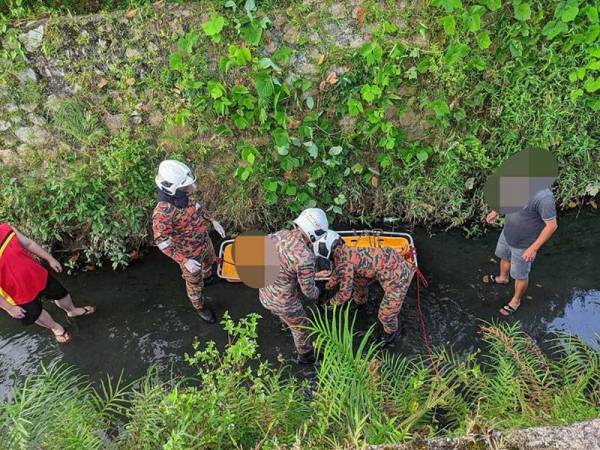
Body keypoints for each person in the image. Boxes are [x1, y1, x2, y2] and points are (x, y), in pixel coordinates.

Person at [152, 160, 226, 324]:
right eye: (186, 187)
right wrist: (184, 261)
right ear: (172, 188)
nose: (191, 189)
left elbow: (198, 208)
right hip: (189, 255)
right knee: (194, 283)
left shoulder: (183, 196)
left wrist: (213, 220)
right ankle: (199, 306)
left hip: (204, 242)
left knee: (209, 262)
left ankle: (208, 277)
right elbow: (162, 242)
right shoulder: (163, 213)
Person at [0, 223, 95, 344]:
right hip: (17, 293)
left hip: (37, 275)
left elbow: (29, 244)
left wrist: (50, 259)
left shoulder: (5, 229)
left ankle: (72, 311)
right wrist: (10, 308)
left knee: (61, 293)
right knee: (36, 313)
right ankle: (55, 328)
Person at [318, 231, 415, 346]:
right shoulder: (345, 250)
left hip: (398, 276)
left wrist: (329, 304)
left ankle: (390, 334)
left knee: (385, 315)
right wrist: (328, 286)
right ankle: (360, 303)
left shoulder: (345, 263)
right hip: (387, 263)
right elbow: (337, 273)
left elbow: (344, 294)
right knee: (358, 282)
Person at [258, 208, 328, 364]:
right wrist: (319, 292)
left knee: (286, 318)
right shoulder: (305, 257)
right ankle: (306, 356)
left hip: (265, 292)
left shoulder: (279, 235)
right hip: (285, 303)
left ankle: (285, 323)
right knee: (302, 328)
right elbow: (308, 291)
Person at [483, 187, 558, 316]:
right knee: (504, 257)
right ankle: (503, 278)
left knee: (520, 275)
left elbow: (552, 226)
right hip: (507, 234)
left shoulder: (544, 198)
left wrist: (533, 248)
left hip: (524, 244)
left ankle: (516, 300)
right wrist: (496, 211)